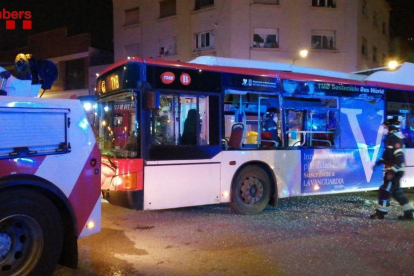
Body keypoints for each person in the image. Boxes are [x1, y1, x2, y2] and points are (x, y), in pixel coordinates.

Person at [370, 119, 414, 220]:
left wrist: (392, 171)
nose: (384, 129)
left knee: (384, 191)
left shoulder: (395, 140)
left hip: (394, 171)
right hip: (394, 171)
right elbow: (387, 156)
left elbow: (399, 158)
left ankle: (380, 213)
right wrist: (378, 163)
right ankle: (409, 212)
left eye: (385, 127)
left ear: (391, 128)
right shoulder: (392, 139)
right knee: (396, 192)